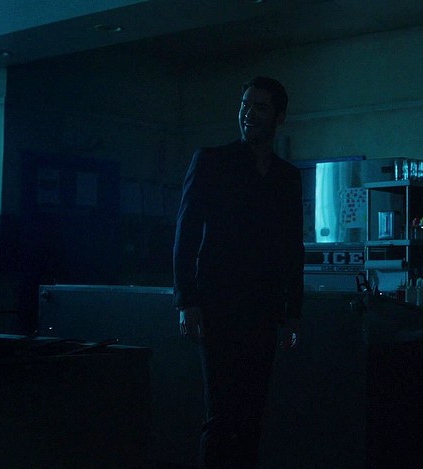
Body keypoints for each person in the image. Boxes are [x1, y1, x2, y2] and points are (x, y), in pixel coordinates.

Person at [173, 76, 304, 469]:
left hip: (263, 310)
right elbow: (185, 233)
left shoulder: (286, 177)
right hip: (217, 307)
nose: (249, 113)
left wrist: (292, 312)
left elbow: (292, 247)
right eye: (245, 105)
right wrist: (186, 301)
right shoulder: (212, 161)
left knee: (251, 415)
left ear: (279, 117)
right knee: (221, 414)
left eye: (260, 107)